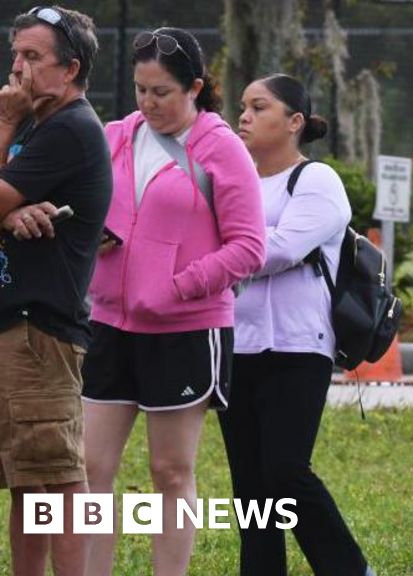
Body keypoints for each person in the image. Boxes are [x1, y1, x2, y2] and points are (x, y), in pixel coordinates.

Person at [80, 27, 265, 575]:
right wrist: (94, 235)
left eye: (161, 91)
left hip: (186, 328)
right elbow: (89, 206)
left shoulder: (221, 148)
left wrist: (178, 285)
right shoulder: (116, 136)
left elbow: (249, 247)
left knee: (170, 471)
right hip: (109, 323)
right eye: (140, 90)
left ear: (194, 88)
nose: (148, 103)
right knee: (91, 468)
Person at [218, 73, 376, 576]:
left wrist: (226, 248)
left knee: (285, 471)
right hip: (236, 345)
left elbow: (282, 250)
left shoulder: (317, 181)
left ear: (294, 122)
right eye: (243, 106)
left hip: (298, 347)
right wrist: (236, 246)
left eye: (259, 107)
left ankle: (350, 570)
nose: (244, 116)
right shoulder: (231, 181)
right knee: (249, 487)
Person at [0, 6, 109, 576]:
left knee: (60, 480)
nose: (17, 68)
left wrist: (4, 125)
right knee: (28, 480)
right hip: (14, 327)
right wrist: (10, 213)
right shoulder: (38, 124)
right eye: (15, 54)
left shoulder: (69, 128)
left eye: (32, 56)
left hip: (39, 330)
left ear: (69, 70)